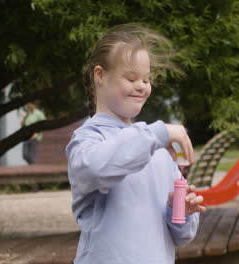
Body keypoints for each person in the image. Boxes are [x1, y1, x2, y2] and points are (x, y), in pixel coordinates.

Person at [65, 24, 206, 264]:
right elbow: (96, 168)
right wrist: (158, 133)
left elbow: (182, 236)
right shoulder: (87, 140)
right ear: (100, 75)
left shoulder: (158, 149)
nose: (142, 86)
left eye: (146, 79)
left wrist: (178, 210)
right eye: (131, 78)